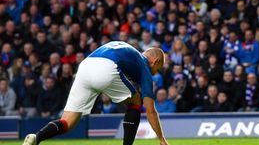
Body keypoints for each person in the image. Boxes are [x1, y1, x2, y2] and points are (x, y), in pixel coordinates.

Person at [23, 41, 169, 145]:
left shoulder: (127, 49)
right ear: (155, 61)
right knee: (136, 102)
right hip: (106, 67)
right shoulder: (144, 66)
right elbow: (150, 110)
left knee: (67, 122)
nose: (156, 72)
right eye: (159, 68)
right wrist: (162, 139)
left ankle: (36, 138)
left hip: (85, 67)